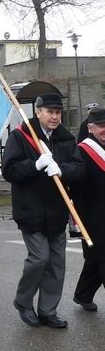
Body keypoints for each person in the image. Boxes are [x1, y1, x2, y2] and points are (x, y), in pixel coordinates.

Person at [2, 93, 84, 328]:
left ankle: (48, 310)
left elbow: (79, 168)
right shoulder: (21, 136)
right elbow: (10, 171)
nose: (55, 116)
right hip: (31, 210)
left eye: (58, 112)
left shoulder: (66, 139)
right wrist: (35, 164)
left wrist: (62, 170)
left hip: (57, 211)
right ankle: (24, 301)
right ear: (37, 112)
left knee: (57, 263)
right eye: (50, 112)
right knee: (39, 258)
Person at [72, 107, 105, 311]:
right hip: (94, 216)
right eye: (101, 126)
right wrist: (79, 221)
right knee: (102, 257)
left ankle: (83, 295)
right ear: (90, 128)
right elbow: (77, 189)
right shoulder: (82, 151)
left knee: (96, 259)